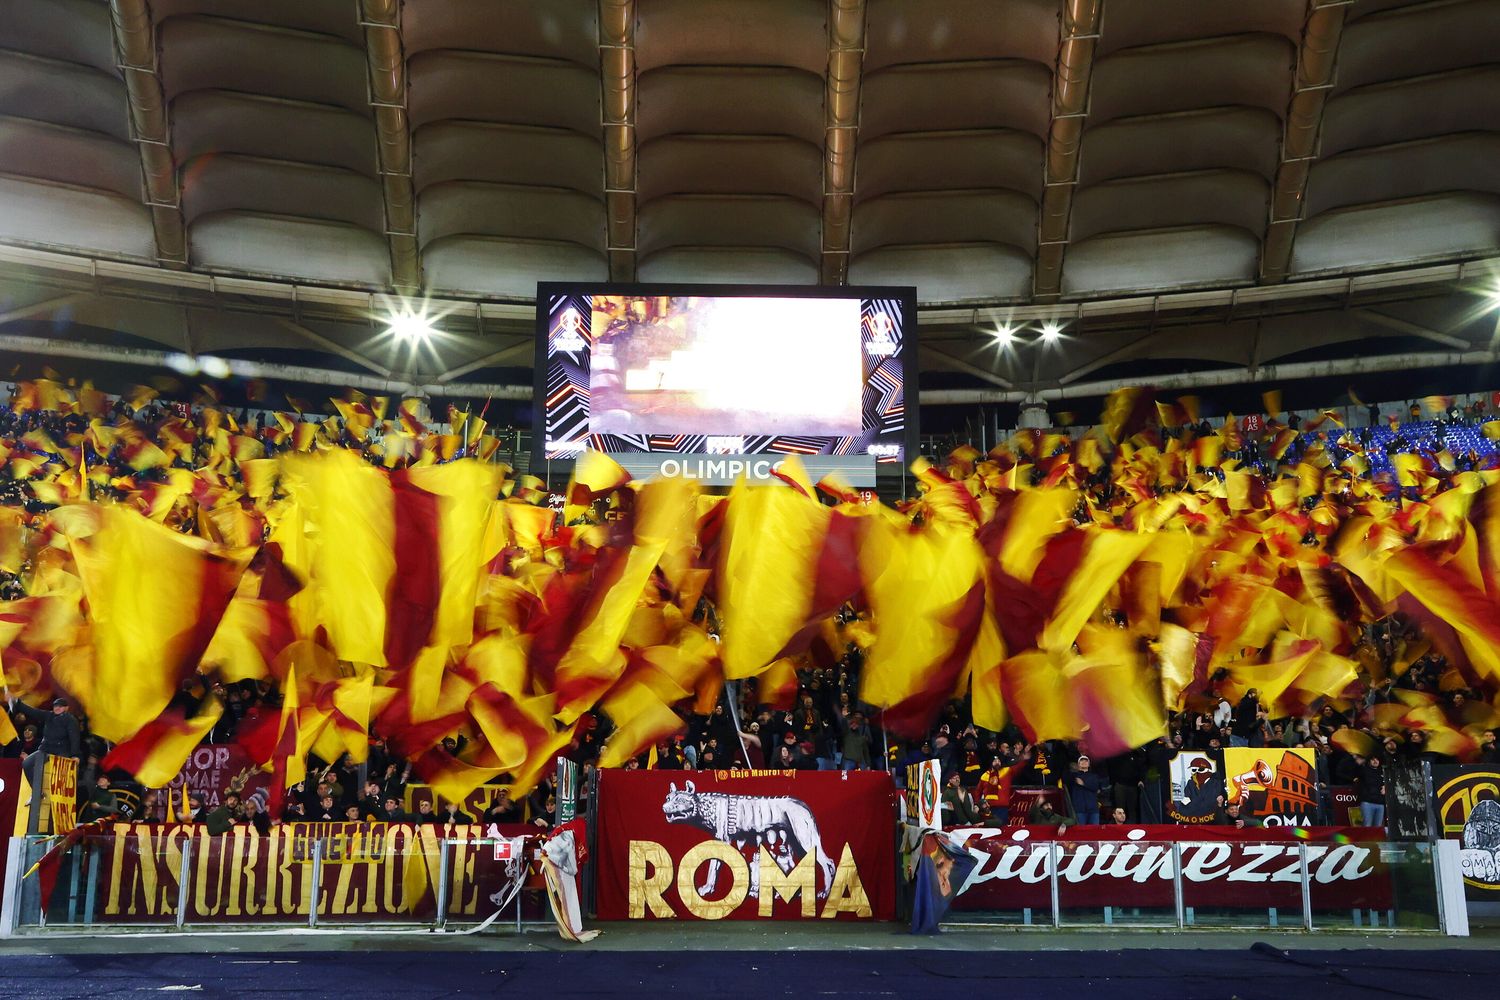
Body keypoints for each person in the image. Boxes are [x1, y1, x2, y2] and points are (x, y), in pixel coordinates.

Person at [12, 697, 82, 834]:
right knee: (26, 763)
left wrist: (75, 755)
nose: (57, 708)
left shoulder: (70, 719)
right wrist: (17, 702)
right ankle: (37, 791)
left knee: (62, 772)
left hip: (62, 749)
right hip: (45, 749)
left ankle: (61, 802)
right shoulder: (49, 716)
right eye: (56, 706)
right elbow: (32, 711)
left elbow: (74, 737)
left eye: (60, 706)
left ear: (66, 708)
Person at [1067, 755, 1103, 824]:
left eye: (1086, 761)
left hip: (1093, 809)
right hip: (1079, 809)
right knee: (1081, 832)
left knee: (1094, 832)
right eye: (1081, 761)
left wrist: (1083, 784)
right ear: (1078, 764)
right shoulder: (1073, 776)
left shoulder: (1094, 776)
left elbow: (1096, 787)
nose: (1084, 762)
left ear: (1089, 764)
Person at [1355, 754, 1386, 829]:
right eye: (1373, 759)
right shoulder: (1364, 770)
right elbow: (1355, 772)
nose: (1375, 761)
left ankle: (1375, 841)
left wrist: (1386, 786)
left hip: (1380, 803)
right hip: (1367, 802)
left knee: (1378, 828)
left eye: (1377, 759)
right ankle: (1365, 841)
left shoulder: (1383, 772)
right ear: (1369, 761)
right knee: (1367, 826)